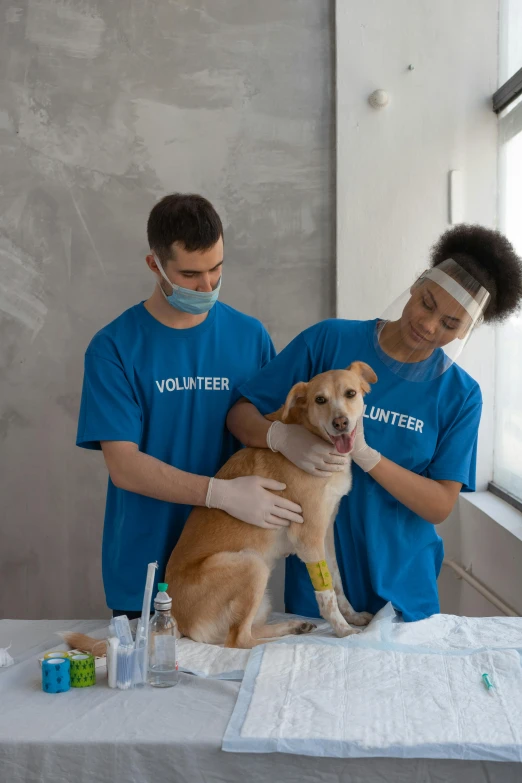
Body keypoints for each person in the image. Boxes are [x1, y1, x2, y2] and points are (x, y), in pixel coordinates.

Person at [227, 225, 522, 622]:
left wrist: (367, 457)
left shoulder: (460, 394)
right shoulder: (330, 340)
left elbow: (439, 505)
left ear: (467, 330)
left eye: (451, 324)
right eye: (427, 303)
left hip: (404, 590)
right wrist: (280, 436)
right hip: (321, 585)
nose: (430, 326)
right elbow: (240, 415)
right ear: (417, 284)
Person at [76, 194, 303, 618]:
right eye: (191, 274)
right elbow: (123, 464)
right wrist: (219, 493)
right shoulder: (114, 348)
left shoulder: (249, 337)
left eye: (217, 268)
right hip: (144, 569)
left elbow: (271, 430)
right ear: (155, 265)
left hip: (225, 565)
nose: (208, 285)